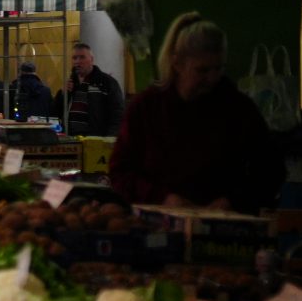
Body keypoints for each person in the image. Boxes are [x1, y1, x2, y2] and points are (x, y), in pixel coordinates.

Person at [111, 12, 283, 212]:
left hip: (226, 234)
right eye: (202, 70)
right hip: (155, 228)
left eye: (218, 69)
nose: (212, 78)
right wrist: (163, 198)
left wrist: (233, 201)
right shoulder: (145, 108)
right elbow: (120, 171)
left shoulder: (238, 109)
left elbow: (271, 170)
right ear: (177, 64)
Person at [56, 40, 125, 137]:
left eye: (82, 57)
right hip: (70, 139)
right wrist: (62, 94)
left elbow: (118, 114)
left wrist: (110, 139)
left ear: (92, 59)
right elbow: (57, 112)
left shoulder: (106, 82)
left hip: (95, 139)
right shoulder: (70, 83)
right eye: (74, 58)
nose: (78, 61)